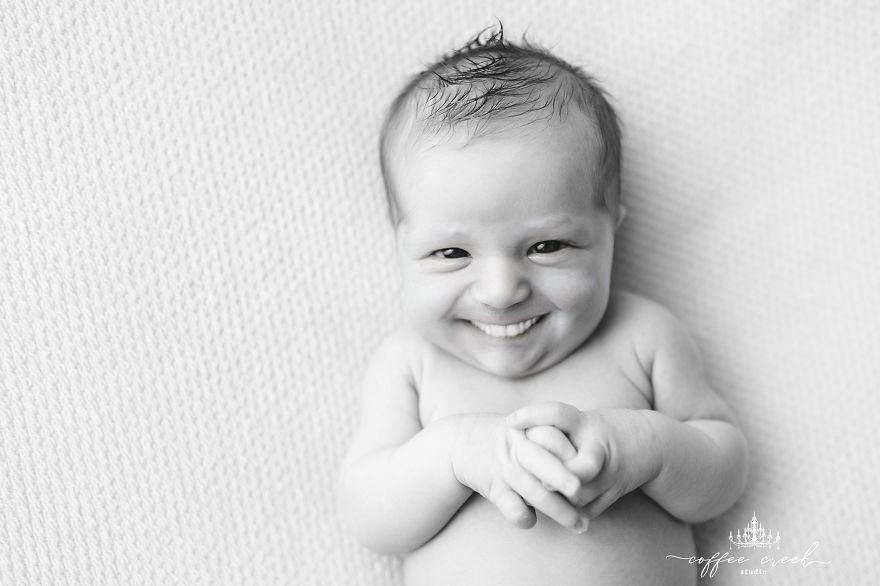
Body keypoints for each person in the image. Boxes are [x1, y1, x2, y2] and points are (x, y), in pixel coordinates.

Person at [337, 25, 748, 585]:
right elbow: (370, 517)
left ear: (610, 233)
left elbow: (721, 477)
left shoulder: (642, 337)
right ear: (400, 244)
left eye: (546, 246)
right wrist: (454, 454)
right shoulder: (411, 364)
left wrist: (649, 447)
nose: (501, 291)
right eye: (451, 252)